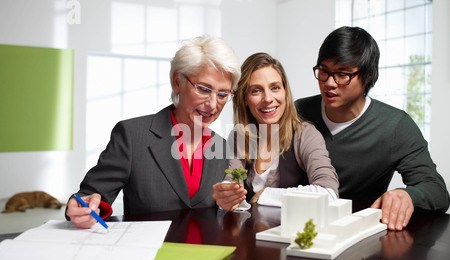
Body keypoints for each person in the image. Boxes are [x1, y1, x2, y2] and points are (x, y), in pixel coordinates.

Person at [66, 36, 241, 229]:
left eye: (223, 94)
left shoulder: (223, 147)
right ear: (177, 82)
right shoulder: (132, 136)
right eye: (203, 89)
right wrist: (86, 206)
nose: (213, 104)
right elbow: (90, 195)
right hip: (148, 254)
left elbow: (221, 212)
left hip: (204, 255)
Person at [295, 26, 449, 231]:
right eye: (323, 71)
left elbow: (437, 190)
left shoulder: (396, 126)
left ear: (368, 76)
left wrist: (408, 195)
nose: (329, 83)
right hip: (296, 226)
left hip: (360, 236)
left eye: (342, 74)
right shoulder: (298, 112)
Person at [212, 52, 339, 211]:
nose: (268, 98)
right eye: (256, 91)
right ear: (244, 99)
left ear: (285, 92)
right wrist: (227, 193)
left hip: (294, 232)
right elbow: (231, 180)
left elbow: (329, 193)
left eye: (275, 88)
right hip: (252, 233)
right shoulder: (239, 136)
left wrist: (267, 194)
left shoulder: (305, 134)